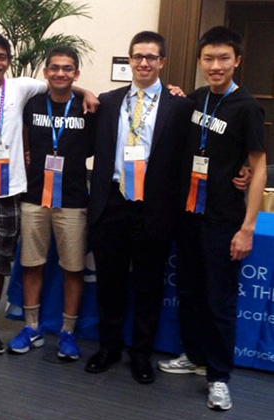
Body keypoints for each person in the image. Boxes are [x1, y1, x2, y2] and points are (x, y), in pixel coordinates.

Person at [0, 33, 98, 356]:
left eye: (2, 57)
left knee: (0, 264)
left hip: (16, 193)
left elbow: (67, 88)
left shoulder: (21, 89)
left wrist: (87, 92)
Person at [158, 26, 266, 411]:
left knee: (219, 301)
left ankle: (219, 377)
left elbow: (258, 166)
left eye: (224, 58)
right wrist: (171, 93)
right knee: (189, 291)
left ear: (237, 61)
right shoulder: (196, 99)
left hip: (223, 220)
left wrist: (247, 227)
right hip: (189, 214)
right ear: (200, 61)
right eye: (209, 59)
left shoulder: (247, 107)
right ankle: (194, 355)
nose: (216, 66)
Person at [85, 31, 195, 383]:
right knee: (110, 283)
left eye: (151, 57)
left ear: (162, 62)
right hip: (113, 202)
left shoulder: (181, 107)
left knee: (149, 286)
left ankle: (141, 354)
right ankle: (108, 346)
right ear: (129, 60)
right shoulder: (108, 101)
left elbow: (194, 155)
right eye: (138, 56)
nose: (144, 63)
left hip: (154, 208)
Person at [8, 46, 94, 360]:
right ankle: (31, 327)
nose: (61, 73)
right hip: (33, 197)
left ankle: (68, 332)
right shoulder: (31, 105)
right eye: (55, 68)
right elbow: (22, 137)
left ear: (76, 74)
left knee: (73, 268)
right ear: (46, 72)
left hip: (72, 200)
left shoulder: (88, 109)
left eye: (67, 68)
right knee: (32, 263)